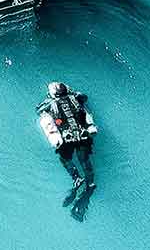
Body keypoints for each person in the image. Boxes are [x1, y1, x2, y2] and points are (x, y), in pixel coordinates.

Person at [37, 81, 97, 219]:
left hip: (66, 139)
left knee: (65, 159)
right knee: (85, 160)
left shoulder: (49, 103)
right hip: (82, 135)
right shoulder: (76, 97)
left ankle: (77, 178)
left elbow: (39, 110)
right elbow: (85, 98)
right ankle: (90, 183)